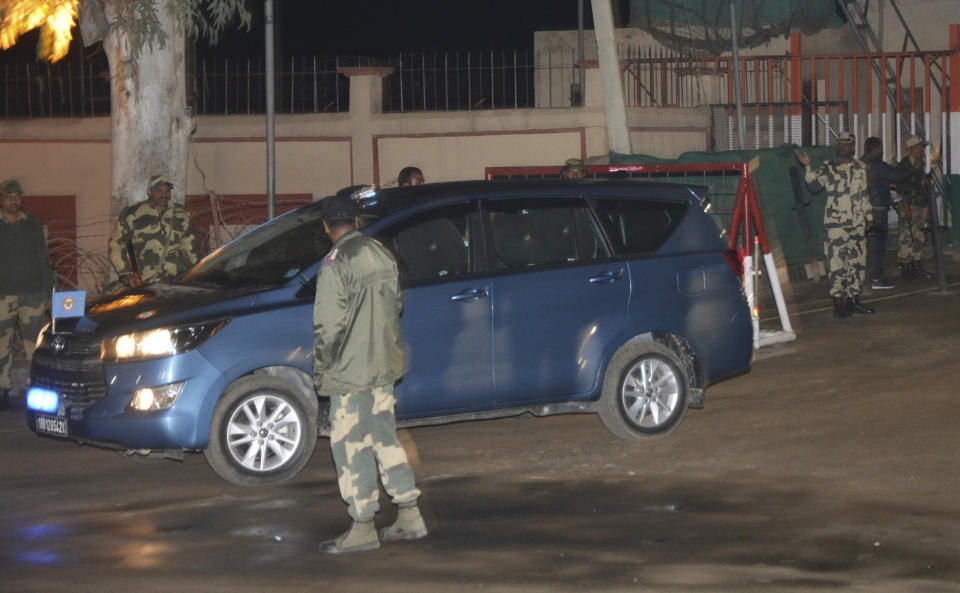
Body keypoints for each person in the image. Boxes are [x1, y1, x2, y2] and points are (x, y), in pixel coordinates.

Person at [313, 195, 427, 554]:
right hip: (383, 367)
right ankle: (409, 514)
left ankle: (363, 527)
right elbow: (397, 305)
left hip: (350, 372)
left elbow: (328, 327)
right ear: (357, 222)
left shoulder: (335, 263)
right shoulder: (381, 253)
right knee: (385, 438)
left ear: (327, 228)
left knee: (350, 446)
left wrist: (321, 370)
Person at [794, 132, 874, 318]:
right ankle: (839, 305)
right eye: (840, 143)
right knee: (837, 266)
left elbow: (864, 195)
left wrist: (870, 219)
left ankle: (854, 301)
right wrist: (807, 167)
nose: (842, 146)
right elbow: (814, 188)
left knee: (858, 264)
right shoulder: (828, 167)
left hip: (857, 225)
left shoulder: (861, 168)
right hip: (836, 227)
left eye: (846, 144)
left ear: (853, 147)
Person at [0, 179, 54, 411]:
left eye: (17, 196)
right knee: (2, 345)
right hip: (4, 296)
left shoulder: (33, 225)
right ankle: (2, 390)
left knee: (35, 344)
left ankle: (36, 388)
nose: (14, 200)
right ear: (1, 199)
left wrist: (49, 290)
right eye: (9, 196)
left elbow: (44, 259)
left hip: (33, 295)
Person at [108, 175, 202, 287]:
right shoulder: (135, 213)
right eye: (159, 190)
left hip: (176, 281)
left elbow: (191, 248)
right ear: (149, 192)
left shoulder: (180, 214)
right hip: (146, 282)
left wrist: (196, 276)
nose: (164, 195)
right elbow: (116, 243)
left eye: (167, 191)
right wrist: (125, 273)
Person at [861, 137, 912, 290]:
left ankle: (864, 279)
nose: (882, 151)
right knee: (878, 246)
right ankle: (876, 278)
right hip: (878, 209)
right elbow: (897, 177)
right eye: (881, 148)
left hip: (862, 210)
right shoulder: (877, 164)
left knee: (864, 246)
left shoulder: (859, 163)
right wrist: (914, 167)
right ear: (876, 149)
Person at [894, 135, 939, 279]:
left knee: (918, 236)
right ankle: (905, 266)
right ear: (912, 149)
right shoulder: (905, 165)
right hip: (909, 205)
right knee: (907, 236)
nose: (922, 150)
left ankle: (915, 264)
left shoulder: (919, 163)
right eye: (920, 147)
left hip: (919, 205)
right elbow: (900, 184)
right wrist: (919, 182)